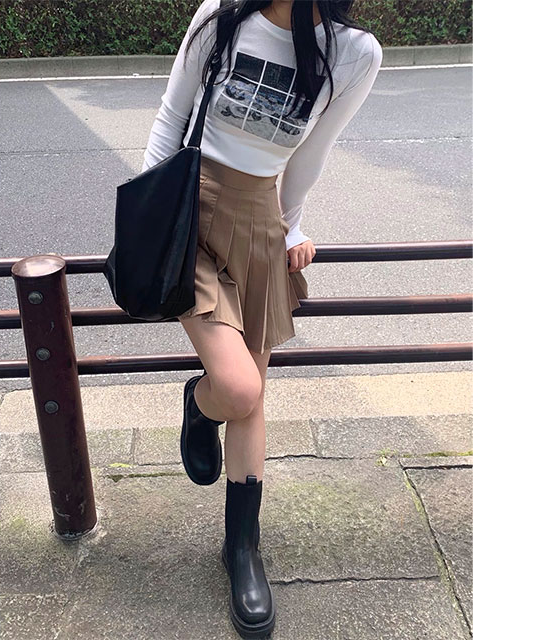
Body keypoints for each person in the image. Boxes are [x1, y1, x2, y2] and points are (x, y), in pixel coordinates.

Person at [140, 1, 382, 637]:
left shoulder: (354, 53)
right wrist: (148, 215)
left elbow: (311, 153)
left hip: (258, 220)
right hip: (190, 210)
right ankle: (202, 401)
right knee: (239, 387)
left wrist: (291, 226)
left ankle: (241, 549)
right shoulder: (222, 15)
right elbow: (171, 117)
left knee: (253, 393)